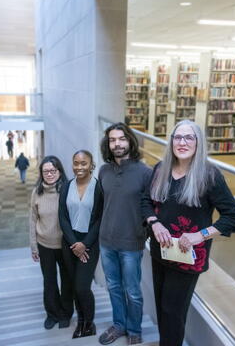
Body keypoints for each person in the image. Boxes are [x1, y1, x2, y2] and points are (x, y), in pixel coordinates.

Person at [141, 120, 235, 346]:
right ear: (171, 142)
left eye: (189, 138)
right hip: (161, 251)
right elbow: (146, 201)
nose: (182, 143)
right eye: (178, 137)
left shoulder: (209, 176)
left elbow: (232, 217)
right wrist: (154, 223)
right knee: (162, 308)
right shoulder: (161, 169)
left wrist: (200, 235)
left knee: (173, 312)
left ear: (198, 143)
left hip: (188, 258)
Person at [98, 122, 152, 346]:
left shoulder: (145, 173)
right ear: (108, 144)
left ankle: (134, 329)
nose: (117, 143)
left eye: (121, 139)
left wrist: (143, 233)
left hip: (131, 244)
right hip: (106, 243)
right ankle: (119, 325)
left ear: (130, 141)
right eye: (112, 140)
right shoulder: (104, 171)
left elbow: (151, 207)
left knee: (133, 291)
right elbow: (101, 204)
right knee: (113, 287)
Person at [59, 150, 103, 339]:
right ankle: (81, 322)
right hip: (69, 243)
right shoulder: (66, 186)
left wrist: (84, 244)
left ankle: (89, 322)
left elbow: (99, 219)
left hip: (90, 243)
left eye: (83, 163)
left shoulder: (99, 187)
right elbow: (62, 216)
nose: (79, 167)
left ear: (91, 164)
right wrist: (74, 243)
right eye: (76, 163)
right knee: (72, 284)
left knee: (82, 287)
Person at [30, 156, 73, 330]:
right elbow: (32, 220)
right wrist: (33, 246)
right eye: (45, 171)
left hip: (65, 245)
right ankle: (52, 314)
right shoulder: (37, 192)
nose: (49, 174)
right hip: (44, 244)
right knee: (49, 281)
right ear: (41, 173)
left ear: (59, 171)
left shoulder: (69, 190)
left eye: (53, 170)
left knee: (67, 280)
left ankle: (65, 314)